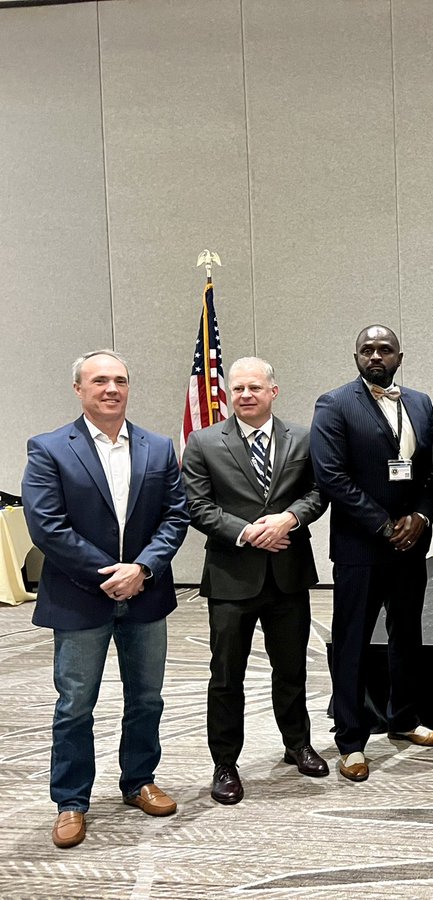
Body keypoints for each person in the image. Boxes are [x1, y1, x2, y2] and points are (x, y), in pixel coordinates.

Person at [22, 350, 189, 849]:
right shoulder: (49, 448)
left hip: (145, 594)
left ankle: (139, 780)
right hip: (79, 599)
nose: (111, 388)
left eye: (119, 380)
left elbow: (175, 516)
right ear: (79, 389)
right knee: (75, 704)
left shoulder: (158, 448)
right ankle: (71, 801)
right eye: (99, 381)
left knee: (147, 698)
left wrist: (142, 569)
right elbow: (46, 526)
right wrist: (107, 575)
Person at [181, 357, 330, 804]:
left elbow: (320, 492)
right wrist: (248, 533)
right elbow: (197, 505)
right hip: (231, 577)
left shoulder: (302, 438)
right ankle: (225, 763)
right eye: (239, 388)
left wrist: (287, 519)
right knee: (227, 675)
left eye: (255, 388)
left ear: (273, 391)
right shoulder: (203, 442)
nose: (246, 395)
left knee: (292, 669)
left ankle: (298, 744)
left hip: (288, 574)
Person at [310, 325, 433, 782]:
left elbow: (432, 473)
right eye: (366, 350)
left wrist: (422, 518)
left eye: (384, 349)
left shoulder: (422, 404)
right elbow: (331, 477)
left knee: (407, 635)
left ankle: (404, 719)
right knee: (352, 644)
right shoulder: (334, 404)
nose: (375, 356)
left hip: (411, 546)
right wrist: (385, 525)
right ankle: (350, 739)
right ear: (355, 356)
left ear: (399, 357)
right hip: (360, 548)